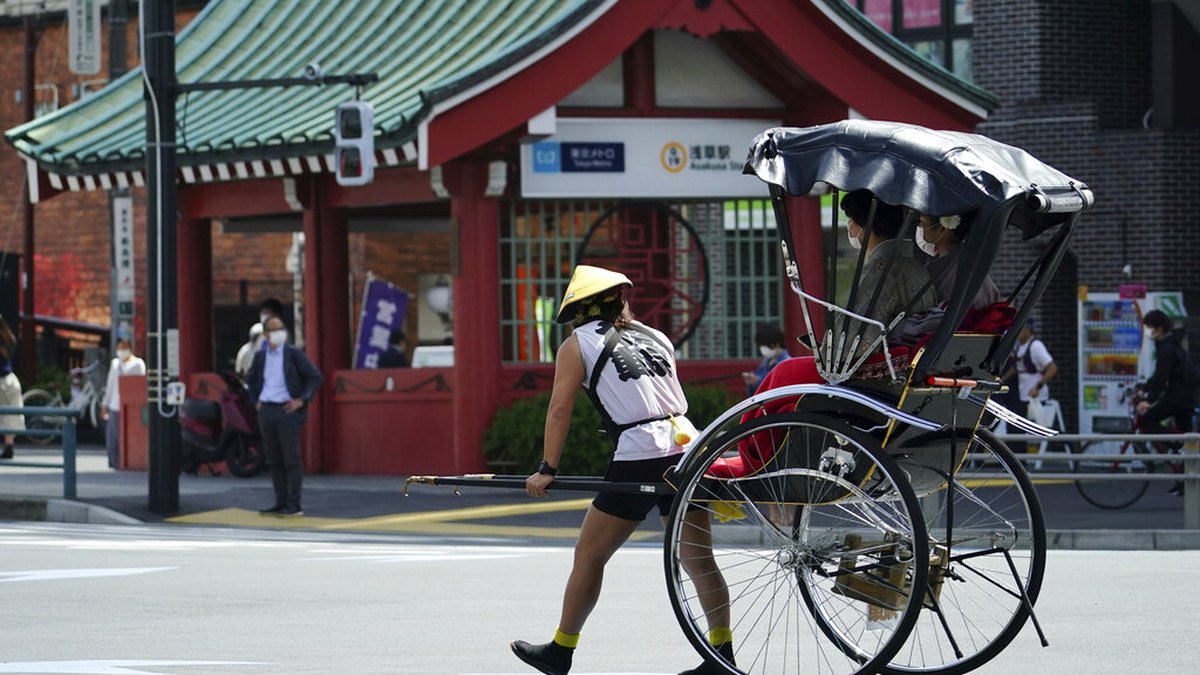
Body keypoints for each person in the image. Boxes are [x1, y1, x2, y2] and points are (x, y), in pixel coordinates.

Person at [511, 265, 732, 675]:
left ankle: (560, 650)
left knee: (590, 554)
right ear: (620, 300)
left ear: (579, 309)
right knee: (698, 558)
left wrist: (547, 468)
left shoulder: (577, 345)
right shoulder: (657, 336)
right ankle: (722, 655)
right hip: (689, 447)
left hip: (640, 453)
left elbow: (559, 409)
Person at [840, 190, 938, 352]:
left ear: (865, 224)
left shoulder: (878, 271)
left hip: (891, 359)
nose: (849, 225)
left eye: (850, 219)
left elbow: (855, 341)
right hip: (920, 355)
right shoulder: (918, 267)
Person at [246, 316, 323, 517]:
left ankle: (294, 504)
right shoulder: (261, 356)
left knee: (291, 459)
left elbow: (315, 377)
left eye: (281, 328)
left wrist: (302, 400)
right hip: (266, 409)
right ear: (266, 334)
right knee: (274, 459)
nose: (279, 333)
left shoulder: (293, 354)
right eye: (274, 330)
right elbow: (251, 380)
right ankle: (280, 501)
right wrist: (256, 401)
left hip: (287, 410)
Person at [1137, 310, 1199, 465]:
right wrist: (1145, 387)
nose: (1148, 332)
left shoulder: (1166, 349)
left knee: (1147, 420)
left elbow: (1161, 378)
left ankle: (1178, 447)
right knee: (1185, 437)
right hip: (1188, 397)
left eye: (1149, 328)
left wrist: (1148, 400)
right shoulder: (1173, 344)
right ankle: (1182, 472)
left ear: (1159, 329)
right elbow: (1160, 376)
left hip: (1178, 397)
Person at [916, 212, 1003, 310]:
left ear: (942, 229)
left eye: (923, 223)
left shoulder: (939, 271)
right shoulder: (970, 263)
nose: (920, 227)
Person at [99, 339, 147, 469]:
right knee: (113, 435)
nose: (121, 351)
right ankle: (114, 461)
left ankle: (129, 460)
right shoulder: (115, 364)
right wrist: (105, 404)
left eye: (124, 347)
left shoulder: (138, 363)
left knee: (128, 435)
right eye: (119, 348)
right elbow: (110, 385)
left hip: (133, 405)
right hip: (115, 404)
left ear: (130, 348)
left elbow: (140, 383)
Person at [1002, 321, 1058, 418]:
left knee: (1036, 423)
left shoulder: (1036, 346)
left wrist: (1038, 386)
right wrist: (1002, 380)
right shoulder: (1019, 347)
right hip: (1023, 395)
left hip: (1036, 396)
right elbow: (1017, 368)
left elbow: (1052, 368)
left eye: (1021, 329)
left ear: (1028, 330)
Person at [742, 323, 790, 396]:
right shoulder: (765, 362)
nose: (762, 349)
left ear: (776, 344)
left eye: (764, 345)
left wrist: (757, 382)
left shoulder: (786, 364)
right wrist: (752, 382)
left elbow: (778, 391)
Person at [0, 315, 22, 459]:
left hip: (1, 381)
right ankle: (9, 445)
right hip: (12, 380)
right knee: (10, 414)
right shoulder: (9, 339)